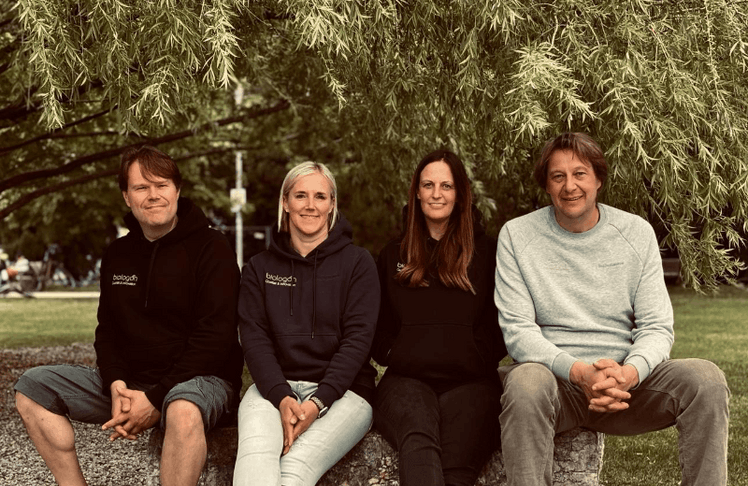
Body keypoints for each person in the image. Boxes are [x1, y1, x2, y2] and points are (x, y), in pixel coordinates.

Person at [494, 132, 730, 486]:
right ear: (546, 184)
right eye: (558, 176)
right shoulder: (516, 236)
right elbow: (518, 332)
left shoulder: (636, 233)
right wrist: (581, 374)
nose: (569, 186)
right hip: (556, 385)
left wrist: (628, 374)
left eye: (580, 174)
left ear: (599, 179)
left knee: (706, 380)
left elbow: (656, 327)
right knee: (524, 381)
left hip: (627, 388)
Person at [14, 145, 244, 486]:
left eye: (162, 185)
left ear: (177, 191)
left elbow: (216, 338)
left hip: (202, 381)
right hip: (134, 382)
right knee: (32, 387)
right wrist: (116, 384)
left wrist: (155, 398)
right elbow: (107, 331)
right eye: (141, 187)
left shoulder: (213, 248)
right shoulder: (118, 254)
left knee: (182, 408)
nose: (153, 195)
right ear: (127, 197)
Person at [233, 161, 380, 486]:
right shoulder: (259, 267)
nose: (310, 205)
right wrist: (283, 397)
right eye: (300, 195)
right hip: (272, 389)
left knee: (293, 469)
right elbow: (255, 341)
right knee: (255, 467)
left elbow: (358, 340)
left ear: (332, 205)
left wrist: (318, 402)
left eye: (320, 196)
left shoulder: (358, 263)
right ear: (285, 203)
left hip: (345, 394)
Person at [372, 150, 507, 486]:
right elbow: (377, 328)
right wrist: (395, 353)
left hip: (472, 383)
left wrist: (476, 354)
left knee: (456, 468)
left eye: (446, 186)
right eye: (428, 185)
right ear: (416, 192)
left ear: (459, 194)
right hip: (405, 381)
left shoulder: (488, 253)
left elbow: (504, 321)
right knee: (418, 440)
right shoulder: (394, 256)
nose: (436, 194)